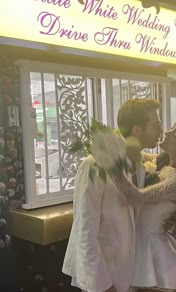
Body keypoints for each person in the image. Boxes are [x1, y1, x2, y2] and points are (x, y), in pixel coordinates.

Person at [62, 98, 162, 292]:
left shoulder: (138, 166)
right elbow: (85, 229)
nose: (161, 131)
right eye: (156, 125)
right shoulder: (95, 164)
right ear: (137, 130)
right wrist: (101, 285)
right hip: (102, 273)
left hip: (126, 269)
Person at [110, 118, 176, 292]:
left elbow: (136, 197)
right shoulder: (164, 163)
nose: (165, 133)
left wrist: (112, 166)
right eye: (171, 129)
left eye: (175, 134)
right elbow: (139, 154)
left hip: (153, 251)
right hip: (140, 244)